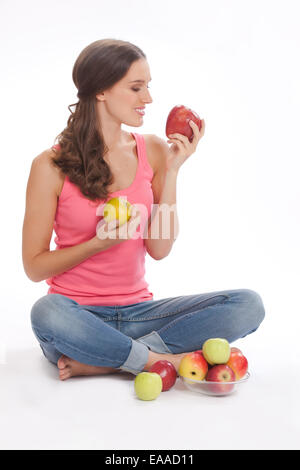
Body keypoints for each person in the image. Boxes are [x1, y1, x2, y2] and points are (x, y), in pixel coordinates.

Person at [22, 39, 265, 381]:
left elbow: (160, 249)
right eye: (136, 88)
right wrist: (97, 244)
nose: (148, 99)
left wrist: (173, 171)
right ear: (101, 91)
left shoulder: (151, 149)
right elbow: (34, 267)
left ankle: (112, 360)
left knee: (247, 304)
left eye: (148, 87)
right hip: (77, 317)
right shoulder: (49, 165)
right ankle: (156, 360)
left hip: (140, 314)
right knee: (45, 312)